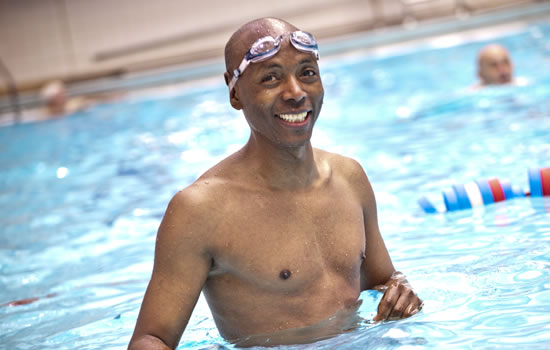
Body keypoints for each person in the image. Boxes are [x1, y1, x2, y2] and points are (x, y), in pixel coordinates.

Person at [128, 17, 423, 349]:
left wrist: (399, 293)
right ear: (235, 92)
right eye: (271, 78)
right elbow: (151, 338)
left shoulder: (349, 178)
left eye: (307, 73)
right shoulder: (200, 211)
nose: (296, 93)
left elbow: (383, 281)